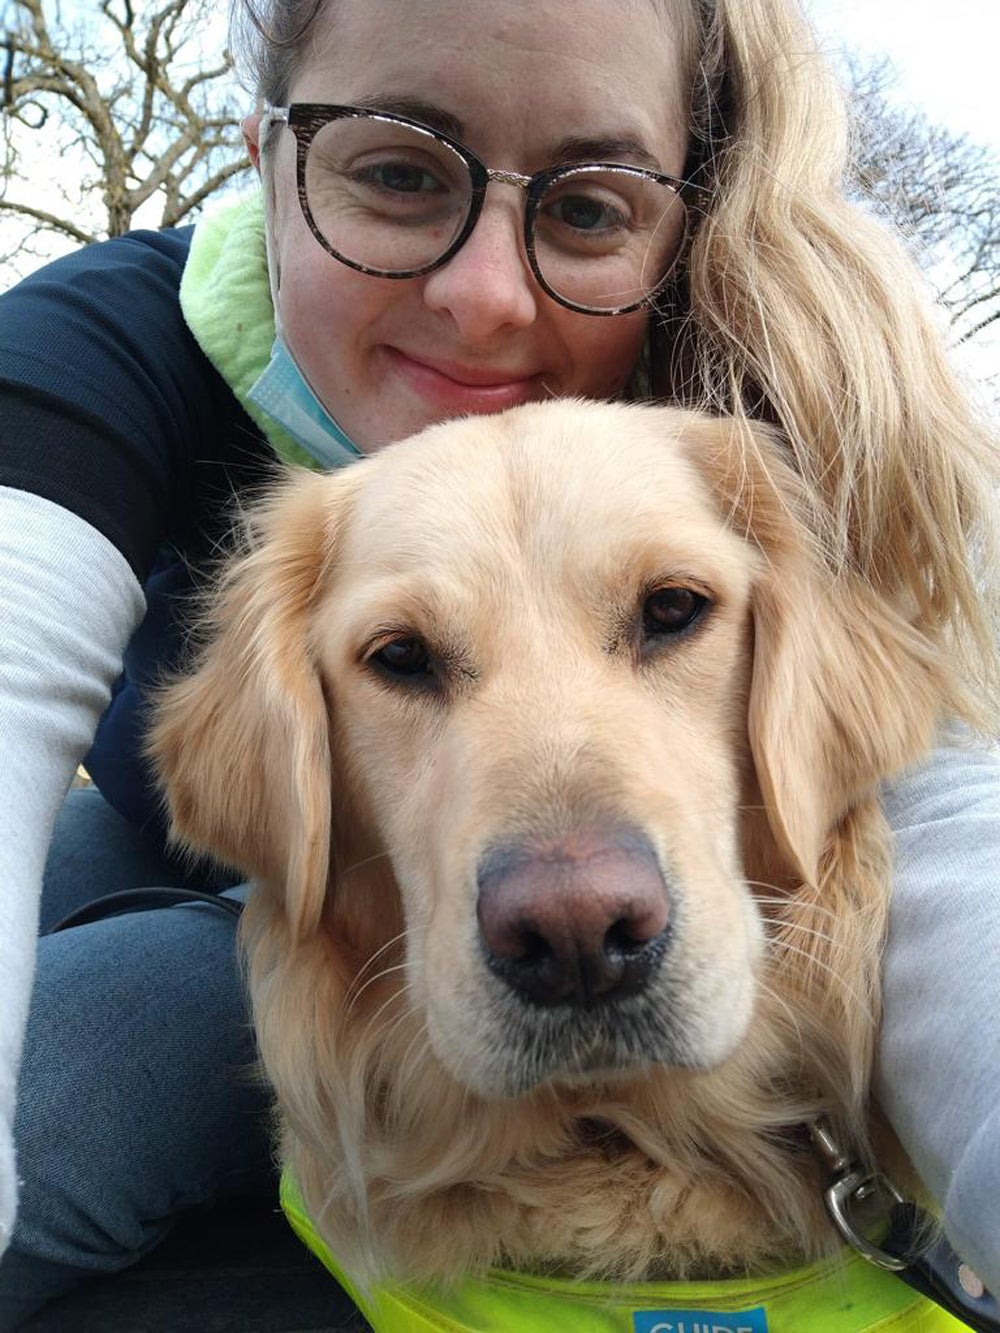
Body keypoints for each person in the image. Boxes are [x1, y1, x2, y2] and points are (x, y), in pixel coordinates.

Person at [1, 0, 999, 1324]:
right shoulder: (105, 347)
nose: (483, 299)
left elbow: (939, 834)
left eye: (586, 205)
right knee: (86, 1030)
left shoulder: (757, 421)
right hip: (314, 900)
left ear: (677, 223)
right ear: (266, 163)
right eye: (400, 172)